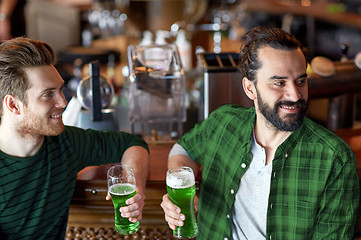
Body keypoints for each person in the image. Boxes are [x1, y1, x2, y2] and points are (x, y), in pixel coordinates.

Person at [160, 26, 360, 239]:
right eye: (279, 82)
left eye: (301, 81)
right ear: (250, 89)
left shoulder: (334, 159)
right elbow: (184, 149)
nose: (294, 95)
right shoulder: (224, 124)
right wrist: (180, 191)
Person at [0, 37, 150, 239]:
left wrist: (135, 187)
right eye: (48, 94)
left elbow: (132, 144)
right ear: (13, 106)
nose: (63, 101)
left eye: (61, 89)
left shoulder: (66, 143)